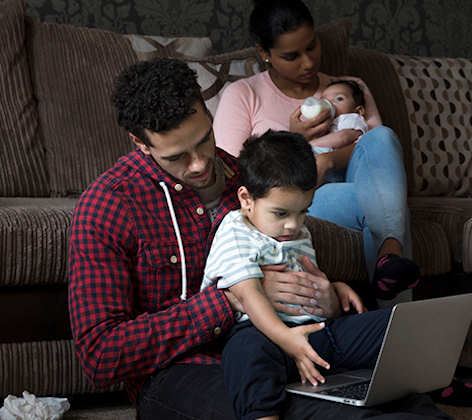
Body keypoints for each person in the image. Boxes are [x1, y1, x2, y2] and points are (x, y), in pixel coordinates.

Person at [68, 56, 452, 420]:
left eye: (203, 140)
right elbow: (101, 356)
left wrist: (326, 295)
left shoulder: (252, 177)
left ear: (206, 109)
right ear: (140, 143)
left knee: (398, 387)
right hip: (181, 371)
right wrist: (231, 300)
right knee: (316, 412)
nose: (200, 164)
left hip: (287, 344)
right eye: (177, 157)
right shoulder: (108, 206)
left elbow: (293, 258)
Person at [213, 0, 419, 302]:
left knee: (383, 138)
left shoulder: (348, 88)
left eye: (312, 47)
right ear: (264, 53)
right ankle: (396, 320)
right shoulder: (244, 95)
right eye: (291, 56)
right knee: (391, 207)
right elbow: (231, 174)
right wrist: (292, 143)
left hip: (361, 187)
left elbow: (380, 158)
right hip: (303, 202)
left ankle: (389, 258)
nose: (308, 63)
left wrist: (329, 160)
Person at [204, 130, 404, 419]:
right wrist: (288, 340)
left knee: (393, 324)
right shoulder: (236, 230)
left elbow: (306, 278)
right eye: (281, 213)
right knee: (245, 352)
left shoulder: (298, 230)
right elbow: (248, 296)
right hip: (264, 334)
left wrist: (335, 289)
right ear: (246, 199)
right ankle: (262, 414)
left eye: (303, 212)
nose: (293, 225)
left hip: (315, 330)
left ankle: (427, 385)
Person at [310, 79, 368, 156]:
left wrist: (310, 144)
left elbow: (343, 137)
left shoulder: (351, 118)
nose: (329, 103)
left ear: (358, 111)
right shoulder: (326, 122)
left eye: (339, 99)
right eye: (324, 101)